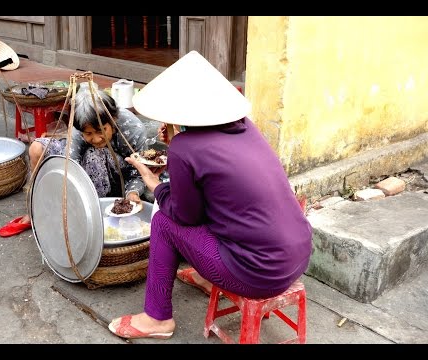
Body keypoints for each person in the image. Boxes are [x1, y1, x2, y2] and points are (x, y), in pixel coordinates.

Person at [107, 51, 313, 340]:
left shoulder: (184, 149)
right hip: (297, 258)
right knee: (213, 213)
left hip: (257, 273)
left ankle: (157, 318)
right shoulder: (247, 129)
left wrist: (156, 184)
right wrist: (180, 149)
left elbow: (185, 214)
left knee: (164, 224)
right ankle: (206, 275)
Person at [0, 82, 148, 237]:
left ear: (113, 119)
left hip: (119, 178)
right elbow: (70, 163)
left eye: (100, 130)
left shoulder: (133, 129)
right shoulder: (80, 124)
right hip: (88, 170)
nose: (96, 138)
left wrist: (132, 194)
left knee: (95, 152)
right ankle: (39, 209)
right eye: (88, 133)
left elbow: (140, 171)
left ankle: (93, 215)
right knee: (36, 148)